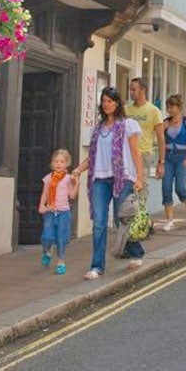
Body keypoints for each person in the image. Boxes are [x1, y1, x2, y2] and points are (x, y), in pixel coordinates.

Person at [72, 87, 145, 279]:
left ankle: (136, 252)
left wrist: (140, 178)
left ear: (118, 103)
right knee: (99, 222)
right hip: (100, 179)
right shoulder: (97, 129)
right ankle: (97, 267)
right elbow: (93, 157)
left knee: (123, 219)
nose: (106, 104)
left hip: (123, 177)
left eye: (110, 101)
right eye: (104, 101)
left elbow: (136, 152)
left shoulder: (128, 124)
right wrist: (78, 170)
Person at [159, 94, 186, 231]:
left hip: (181, 157)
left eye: (172, 107)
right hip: (168, 157)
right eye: (168, 107)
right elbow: (158, 140)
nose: (169, 109)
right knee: (166, 188)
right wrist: (161, 129)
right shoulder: (165, 122)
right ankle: (169, 220)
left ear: (179, 108)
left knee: (180, 188)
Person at [38, 149, 78, 275]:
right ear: (52, 163)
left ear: (67, 164)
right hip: (50, 211)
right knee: (47, 236)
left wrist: (76, 183)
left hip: (64, 213)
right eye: (56, 161)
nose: (58, 164)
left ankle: (61, 261)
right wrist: (42, 206)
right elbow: (44, 193)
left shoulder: (68, 179)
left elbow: (71, 196)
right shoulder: (48, 178)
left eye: (62, 161)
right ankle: (47, 251)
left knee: (61, 238)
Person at [127, 78, 165, 187]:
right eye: (130, 89)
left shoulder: (154, 111)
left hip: (144, 154)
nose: (131, 92)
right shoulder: (126, 110)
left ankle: (141, 204)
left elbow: (161, 139)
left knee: (141, 188)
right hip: (127, 154)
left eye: (134, 90)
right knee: (125, 190)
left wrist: (161, 162)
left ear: (143, 90)